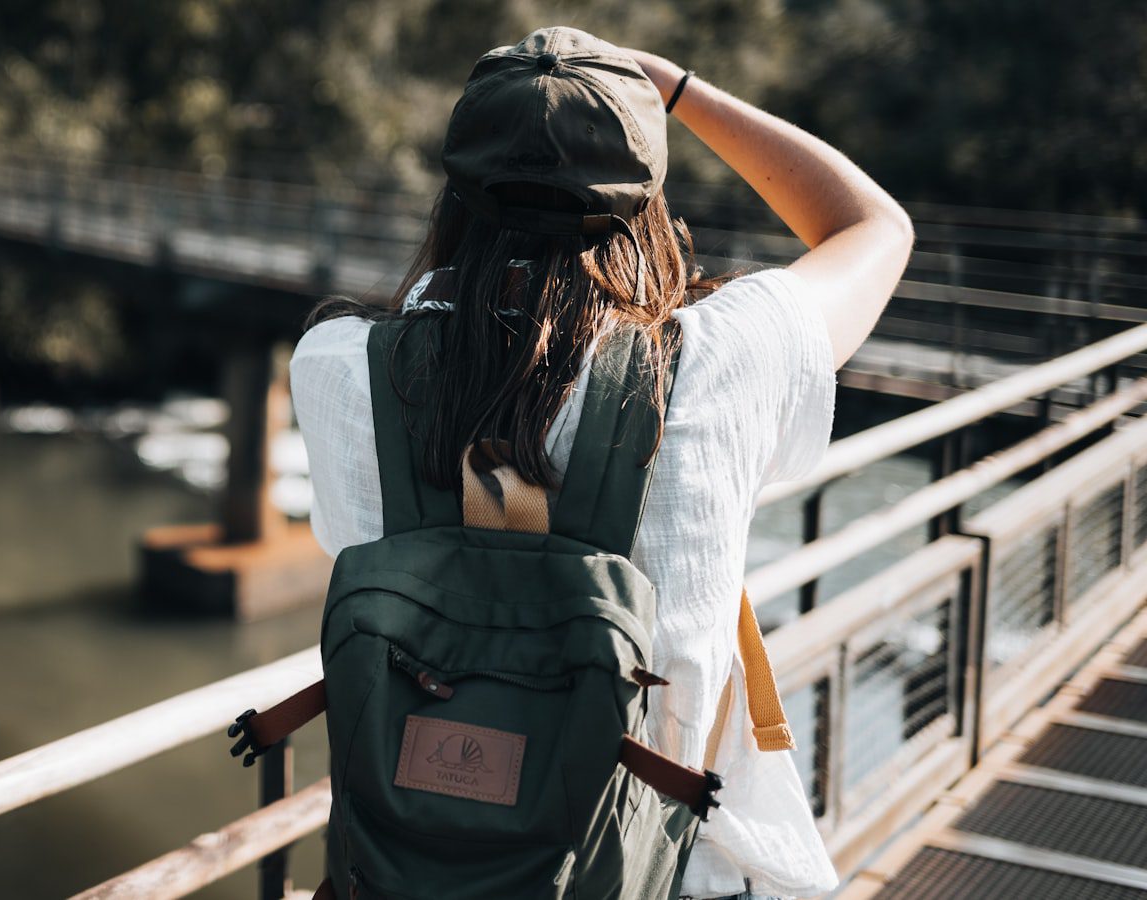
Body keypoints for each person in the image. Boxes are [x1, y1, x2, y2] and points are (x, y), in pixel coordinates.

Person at [290, 26, 912, 900]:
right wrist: (678, 89)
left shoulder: (338, 367)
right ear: (646, 201)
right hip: (676, 876)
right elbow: (873, 225)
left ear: (455, 196)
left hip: (411, 873)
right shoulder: (721, 362)